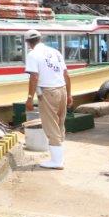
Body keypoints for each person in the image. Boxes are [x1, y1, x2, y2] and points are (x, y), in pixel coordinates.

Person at [24, 29, 72, 170]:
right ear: (40, 39)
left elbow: (34, 77)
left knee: (51, 126)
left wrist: (29, 98)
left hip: (48, 92)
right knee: (60, 124)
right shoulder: (55, 52)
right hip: (62, 89)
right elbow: (66, 74)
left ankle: (56, 161)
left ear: (27, 42)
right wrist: (69, 94)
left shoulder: (32, 55)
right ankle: (59, 157)